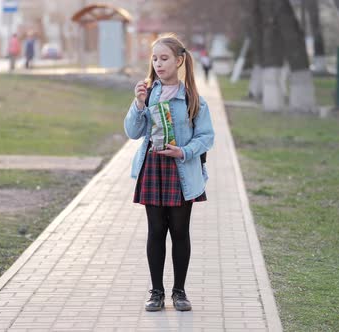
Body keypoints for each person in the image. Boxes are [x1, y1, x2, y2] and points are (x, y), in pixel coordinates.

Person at [124, 33, 215, 312]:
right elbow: (133, 132)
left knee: (179, 232)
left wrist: (184, 151)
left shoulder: (191, 99)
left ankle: (179, 292)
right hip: (152, 168)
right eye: (154, 58)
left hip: (181, 170)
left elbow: (207, 137)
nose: (158, 64)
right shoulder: (148, 93)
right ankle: (156, 292)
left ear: (179, 61)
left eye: (164, 58)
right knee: (155, 231)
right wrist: (138, 104)